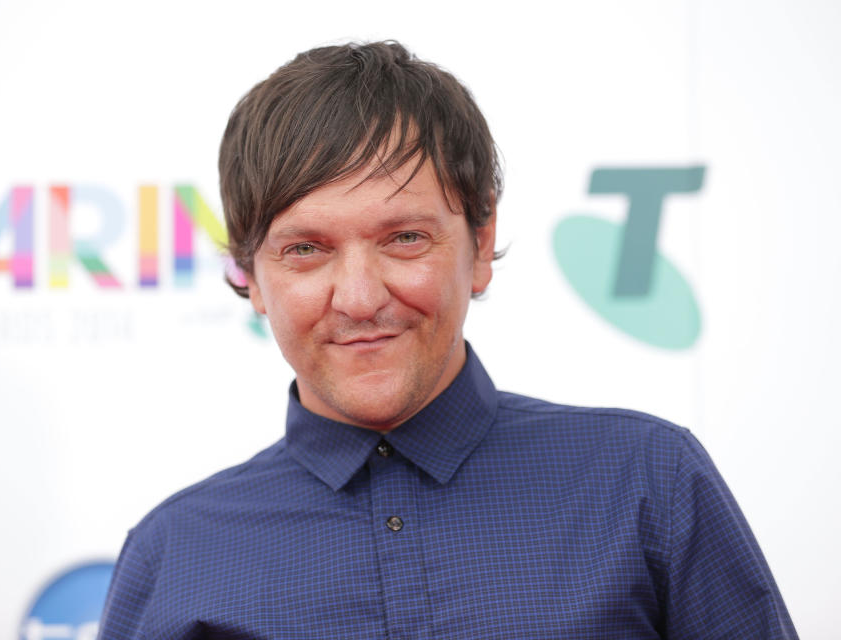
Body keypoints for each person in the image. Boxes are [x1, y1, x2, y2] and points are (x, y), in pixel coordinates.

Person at [98, 41, 797, 639]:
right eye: (307, 250)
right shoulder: (175, 556)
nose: (362, 297)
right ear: (248, 273)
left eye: (405, 238)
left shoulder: (646, 482)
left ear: (481, 242)